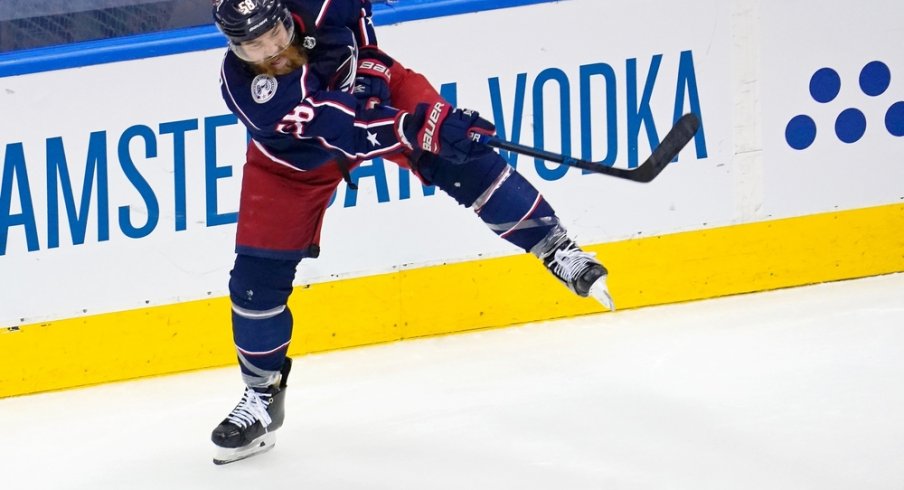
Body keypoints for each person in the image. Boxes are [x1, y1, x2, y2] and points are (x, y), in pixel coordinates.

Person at [209, 0, 615, 464]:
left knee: (460, 153)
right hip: (294, 161)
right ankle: (262, 399)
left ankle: (556, 248)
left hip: (376, 93)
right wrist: (415, 125)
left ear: (286, 18)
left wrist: (376, 71)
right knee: (254, 285)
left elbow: (356, 15)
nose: (271, 53)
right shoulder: (249, 90)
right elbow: (348, 128)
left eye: (275, 37)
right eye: (253, 47)